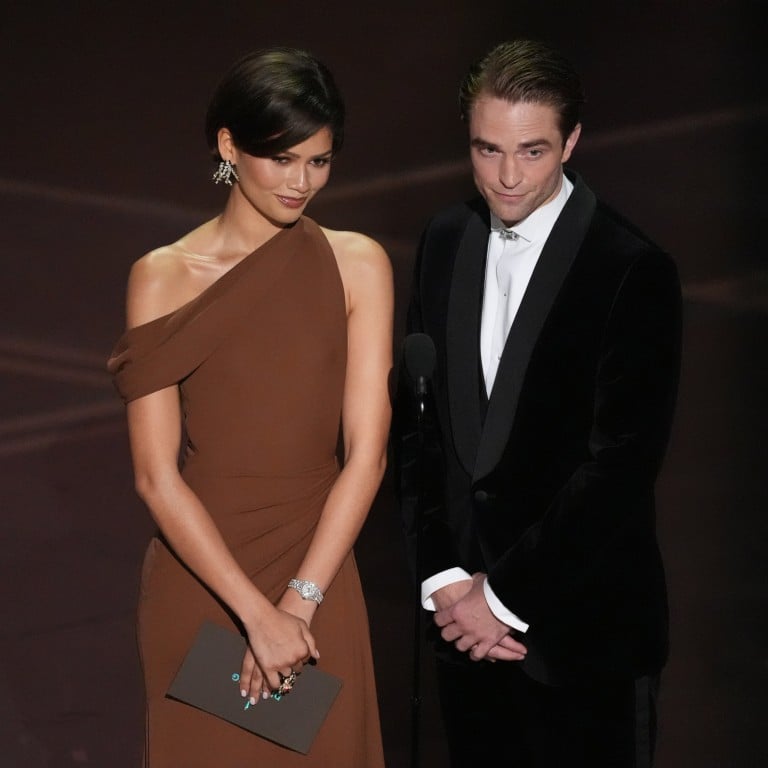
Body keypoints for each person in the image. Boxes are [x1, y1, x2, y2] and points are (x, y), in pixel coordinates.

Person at [394, 39, 681, 767]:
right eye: (487, 149)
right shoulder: (445, 240)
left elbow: (619, 467)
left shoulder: (631, 269)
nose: (507, 176)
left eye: (532, 150)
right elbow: (419, 429)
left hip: (585, 644)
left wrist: (502, 597)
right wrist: (446, 582)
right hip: (463, 633)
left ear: (572, 141)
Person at [107, 48, 392, 767]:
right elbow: (155, 476)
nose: (302, 182)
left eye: (320, 162)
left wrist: (296, 606)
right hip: (205, 584)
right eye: (283, 158)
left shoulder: (358, 263)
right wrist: (256, 615)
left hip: (317, 577)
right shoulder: (165, 276)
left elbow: (368, 453)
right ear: (229, 146)